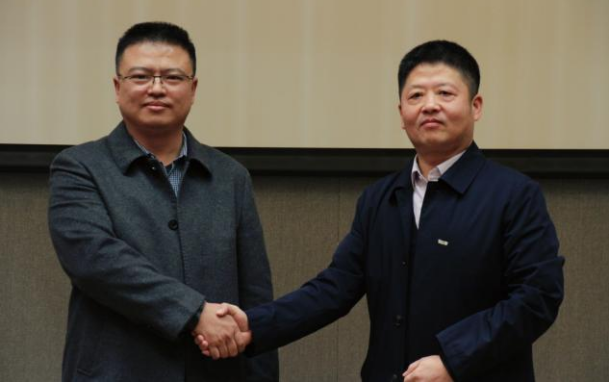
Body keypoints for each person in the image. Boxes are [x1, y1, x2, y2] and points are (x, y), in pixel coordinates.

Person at [196, 40, 565, 382]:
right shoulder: (379, 199)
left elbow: (537, 298)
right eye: (416, 95)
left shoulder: (514, 195)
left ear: (476, 106)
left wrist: (454, 360)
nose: (429, 105)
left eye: (445, 93)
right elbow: (334, 288)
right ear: (401, 113)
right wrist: (254, 325)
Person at [48, 22, 278, 382]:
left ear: (193, 88)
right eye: (140, 76)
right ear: (117, 87)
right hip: (115, 372)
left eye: (172, 77)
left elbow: (255, 293)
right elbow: (95, 260)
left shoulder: (230, 176)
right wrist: (194, 313)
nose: (156, 88)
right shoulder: (80, 167)